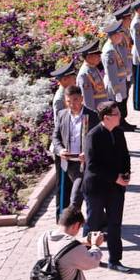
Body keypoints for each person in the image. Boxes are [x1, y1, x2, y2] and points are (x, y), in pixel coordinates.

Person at [85, 100, 131, 272]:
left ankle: (115, 260)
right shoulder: (93, 136)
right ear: (106, 117)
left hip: (116, 188)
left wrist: (126, 174)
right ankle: (87, 255)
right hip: (96, 188)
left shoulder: (118, 132)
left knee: (115, 224)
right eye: (116, 114)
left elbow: (125, 155)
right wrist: (115, 177)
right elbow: (92, 166)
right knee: (94, 223)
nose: (120, 116)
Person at [51, 83, 96, 215]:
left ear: (81, 98)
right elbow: (55, 137)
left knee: (76, 197)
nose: (72, 104)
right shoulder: (62, 115)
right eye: (68, 101)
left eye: (75, 100)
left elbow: (98, 140)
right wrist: (60, 150)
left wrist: (87, 153)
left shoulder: (92, 116)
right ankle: (98, 219)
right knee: (82, 194)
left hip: (84, 164)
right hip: (68, 163)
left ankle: (70, 222)